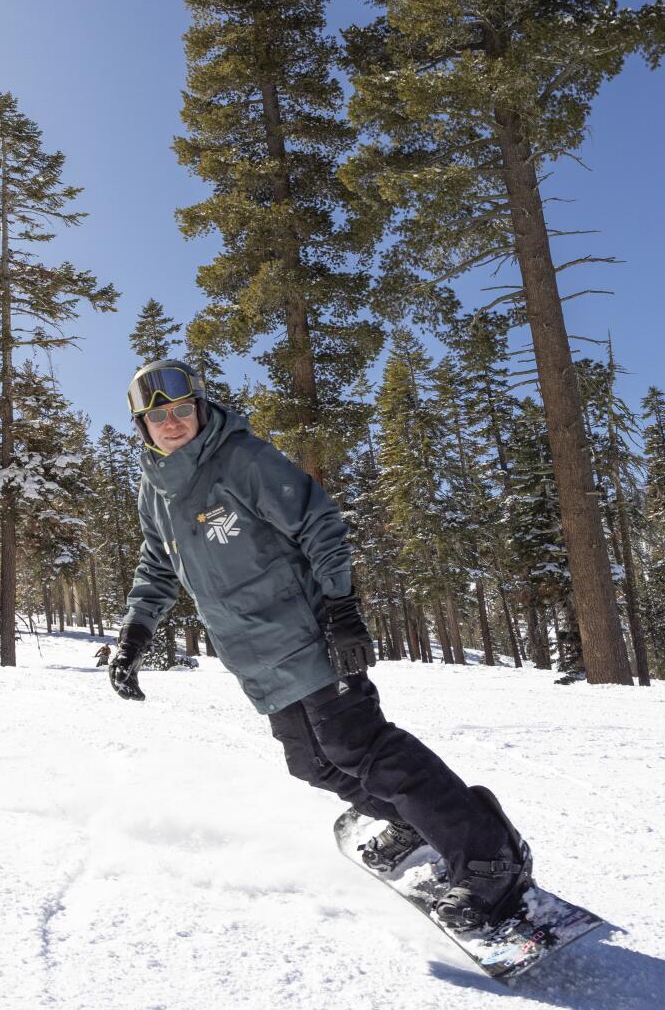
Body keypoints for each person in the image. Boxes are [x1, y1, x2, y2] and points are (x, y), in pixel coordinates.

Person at [107, 358, 533, 929]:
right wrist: (135, 635)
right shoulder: (155, 490)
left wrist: (341, 609)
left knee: (360, 747)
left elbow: (319, 522)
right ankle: (411, 821)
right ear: (143, 426)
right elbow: (157, 568)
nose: (173, 422)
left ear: (200, 408)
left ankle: (489, 859)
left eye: (182, 409)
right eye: (159, 416)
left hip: (308, 634)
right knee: (311, 762)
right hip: (254, 654)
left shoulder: (241, 460)